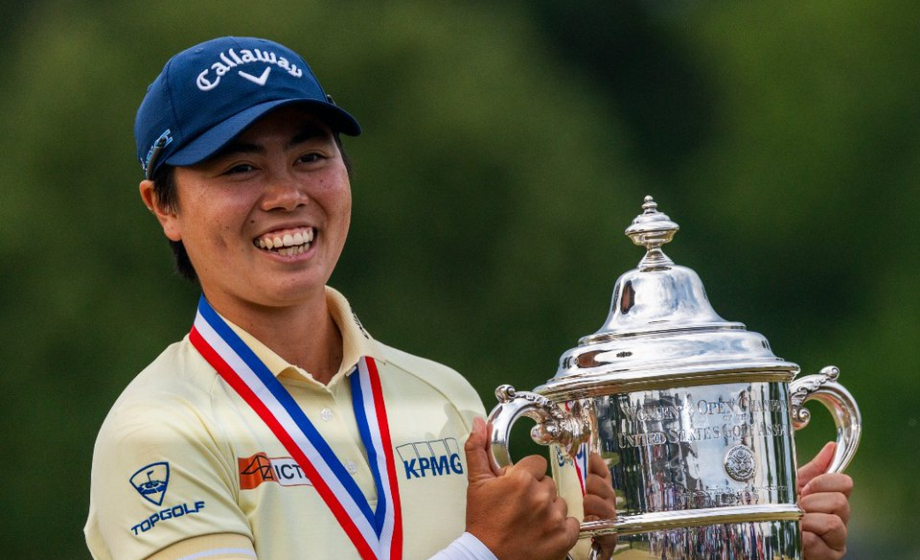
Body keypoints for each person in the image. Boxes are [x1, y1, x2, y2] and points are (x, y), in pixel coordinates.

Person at [85, 36, 852, 560]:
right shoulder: (157, 433)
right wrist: (484, 551)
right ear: (164, 207)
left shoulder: (440, 396)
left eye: (311, 156)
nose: (286, 195)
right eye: (239, 169)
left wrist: (749, 533)